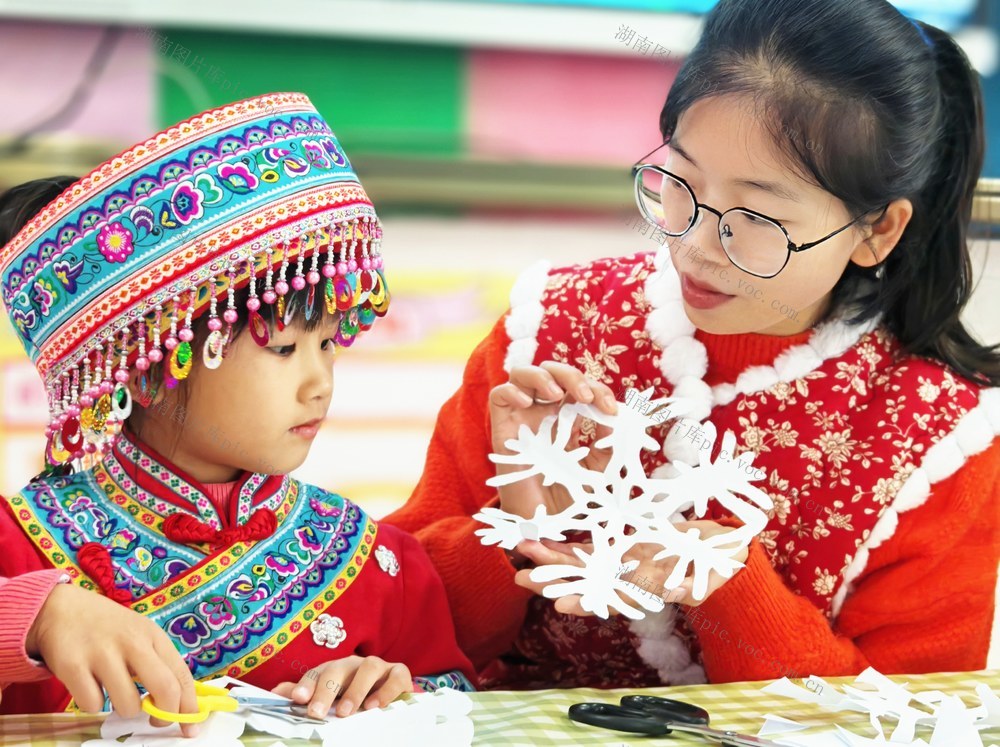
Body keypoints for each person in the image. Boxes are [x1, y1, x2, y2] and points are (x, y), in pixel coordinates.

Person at [386, 0, 1000, 690]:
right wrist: (518, 533)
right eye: (681, 182)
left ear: (877, 231)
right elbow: (383, 621)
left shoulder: (937, 435)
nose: (695, 245)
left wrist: (736, 593)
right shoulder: (550, 332)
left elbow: (919, 717)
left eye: (758, 217)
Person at [0, 92, 474, 731]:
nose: (319, 384)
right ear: (145, 368)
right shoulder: (17, 548)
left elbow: (462, 711)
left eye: (329, 343)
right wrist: (34, 617)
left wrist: (396, 691)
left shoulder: (377, 561)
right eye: (282, 348)